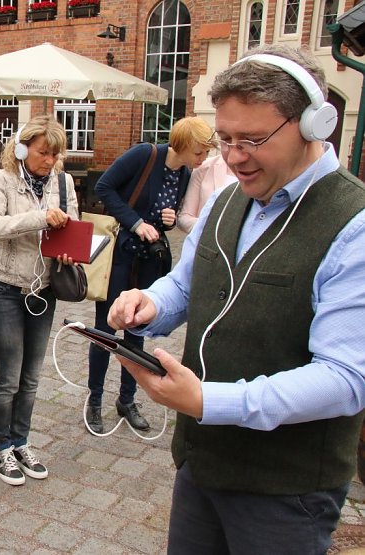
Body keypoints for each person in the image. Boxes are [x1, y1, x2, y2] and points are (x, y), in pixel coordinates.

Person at [108, 44, 365, 553]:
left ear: (314, 125)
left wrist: (207, 401)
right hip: (202, 463)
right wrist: (151, 304)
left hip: (286, 491)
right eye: (224, 138)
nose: (231, 157)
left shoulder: (353, 222)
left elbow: (345, 380)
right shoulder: (227, 200)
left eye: (251, 139)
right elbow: (185, 283)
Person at [87, 117, 214, 434]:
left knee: (138, 331)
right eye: (199, 152)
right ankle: (95, 400)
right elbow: (104, 187)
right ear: (183, 144)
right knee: (106, 329)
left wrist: (168, 221)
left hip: (149, 262)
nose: (203, 160)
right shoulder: (146, 154)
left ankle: (126, 400)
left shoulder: (185, 174)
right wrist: (135, 222)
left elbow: (163, 219)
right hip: (119, 258)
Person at [0, 115, 79, 485]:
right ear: (21, 150)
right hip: (4, 288)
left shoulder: (64, 183)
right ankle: (0, 447)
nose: (49, 161)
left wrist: (70, 251)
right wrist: (38, 218)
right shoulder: (1, 180)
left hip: (44, 290)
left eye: (54, 154)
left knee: (32, 377)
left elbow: (73, 228)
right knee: (9, 377)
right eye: (42, 153)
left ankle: (21, 441)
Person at [177, 153, 236, 233]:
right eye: (227, 140)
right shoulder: (205, 167)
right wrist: (211, 230)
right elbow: (184, 218)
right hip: (207, 242)